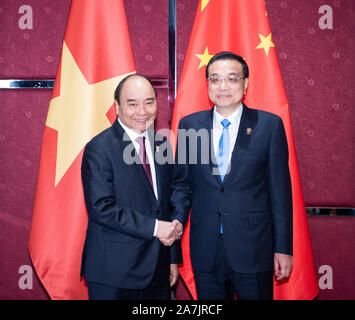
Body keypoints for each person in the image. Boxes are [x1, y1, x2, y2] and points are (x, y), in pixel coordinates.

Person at [171, 51, 293, 300]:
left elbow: (280, 193)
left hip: (254, 248)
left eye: (232, 79)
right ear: (208, 85)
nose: (223, 87)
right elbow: (182, 185)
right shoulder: (190, 126)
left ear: (245, 84)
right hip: (206, 249)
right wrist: (175, 226)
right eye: (215, 79)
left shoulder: (268, 126)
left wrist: (283, 248)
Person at [80, 74, 182, 300]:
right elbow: (101, 208)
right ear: (117, 107)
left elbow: (164, 206)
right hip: (115, 273)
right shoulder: (99, 148)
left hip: (158, 270)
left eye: (149, 102)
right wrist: (156, 228)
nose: (143, 111)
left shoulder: (161, 144)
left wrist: (172, 256)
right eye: (132, 104)